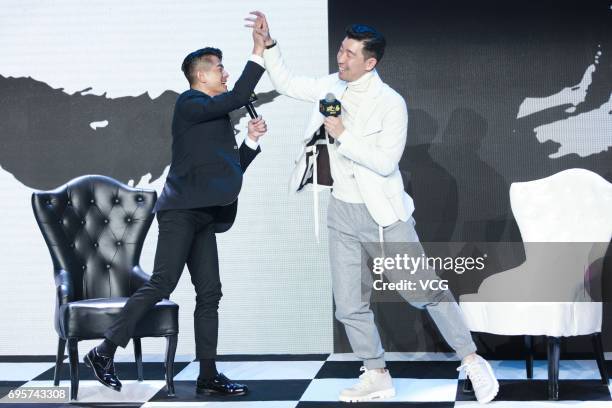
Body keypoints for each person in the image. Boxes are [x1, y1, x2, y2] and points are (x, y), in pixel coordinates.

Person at [246, 11, 499, 404]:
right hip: (341, 211)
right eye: (341, 50)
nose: (341, 59)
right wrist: (269, 45)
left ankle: (472, 359)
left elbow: (385, 162)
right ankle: (376, 371)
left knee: (424, 291)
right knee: (349, 302)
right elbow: (289, 83)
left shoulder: (390, 103)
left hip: (383, 215)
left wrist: (343, 134)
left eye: (349, 54)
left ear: (370, 62)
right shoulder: (331, 86)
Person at [83, 27, 268, 397]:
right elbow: (238, 95)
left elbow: (227, 173)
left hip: (204, 213)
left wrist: (250, 142)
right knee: (162, 283)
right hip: (180, 212)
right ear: (201, 75)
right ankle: (103, 352)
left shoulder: (214, 118)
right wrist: (258, 51)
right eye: (220, 68)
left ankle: (208, 375)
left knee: (210, 293)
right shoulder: (189, 103)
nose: (226, 73)